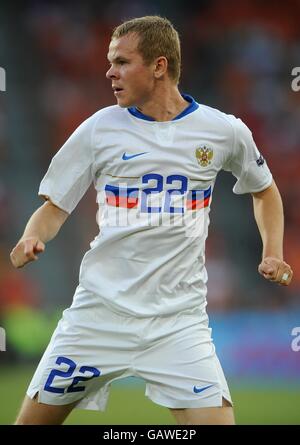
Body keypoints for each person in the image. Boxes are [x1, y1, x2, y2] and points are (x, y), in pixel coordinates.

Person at [10, 16, 293, 425]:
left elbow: (265, 190)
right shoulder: (98, 129)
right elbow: (55, 207)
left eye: (123, 62)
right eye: (110, 62)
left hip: (178, 324)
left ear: (159, 66)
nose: (110, 72)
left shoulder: (223, 131)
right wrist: (31, 236)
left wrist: (273, 252)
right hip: (98, 317)